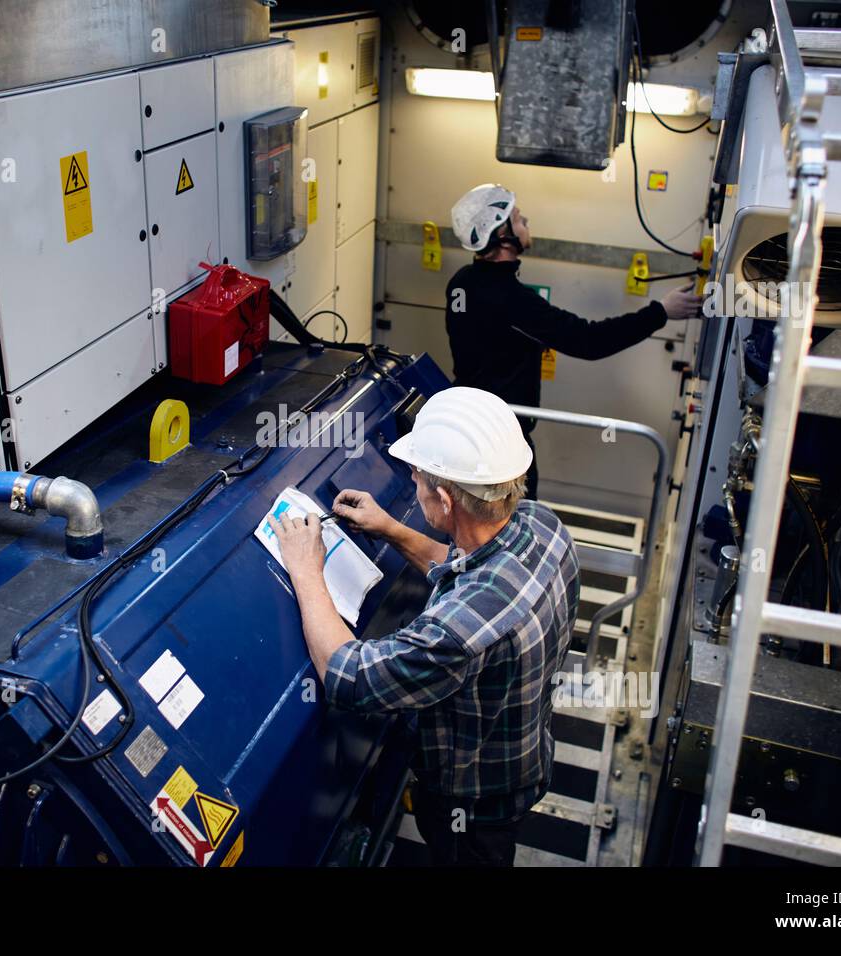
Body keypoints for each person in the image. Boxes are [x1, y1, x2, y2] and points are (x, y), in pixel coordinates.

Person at [270, 387, 579, 867]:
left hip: (475, 801)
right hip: (524, 754)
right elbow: (467, 572)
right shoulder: (543, 525)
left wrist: (305, 566)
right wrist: (391, 529)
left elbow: (349, 675)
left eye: (415, 477)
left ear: (443, 498)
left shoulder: (457, 634)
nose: (411, 484)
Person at [446, 183, 704, 498]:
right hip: (503, 445)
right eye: (516, 217)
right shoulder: (511, 299)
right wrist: (661, 312)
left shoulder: (462, 282)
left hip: (471, 430)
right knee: (518, 529)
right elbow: (588, 340)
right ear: (502, 235)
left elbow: (490, 335)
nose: (525, 220)